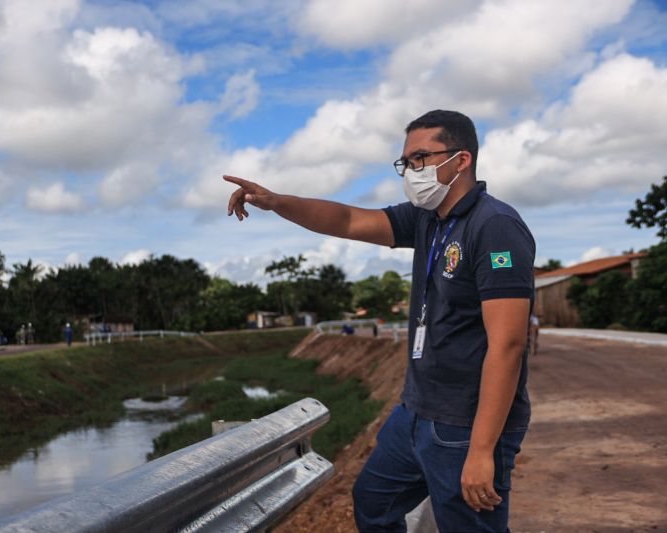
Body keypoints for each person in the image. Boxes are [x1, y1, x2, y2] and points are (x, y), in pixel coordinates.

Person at [225, 110, 534, 532]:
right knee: (375, 502)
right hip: (415, 411)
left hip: (464, 424)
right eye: (405, 162)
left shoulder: (494, 227)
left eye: (420, 158)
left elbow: (508, 345)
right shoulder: (428, 219)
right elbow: (349, 220)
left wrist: (482, 450)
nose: (410, 170)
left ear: (461, 160)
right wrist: (277, 202)